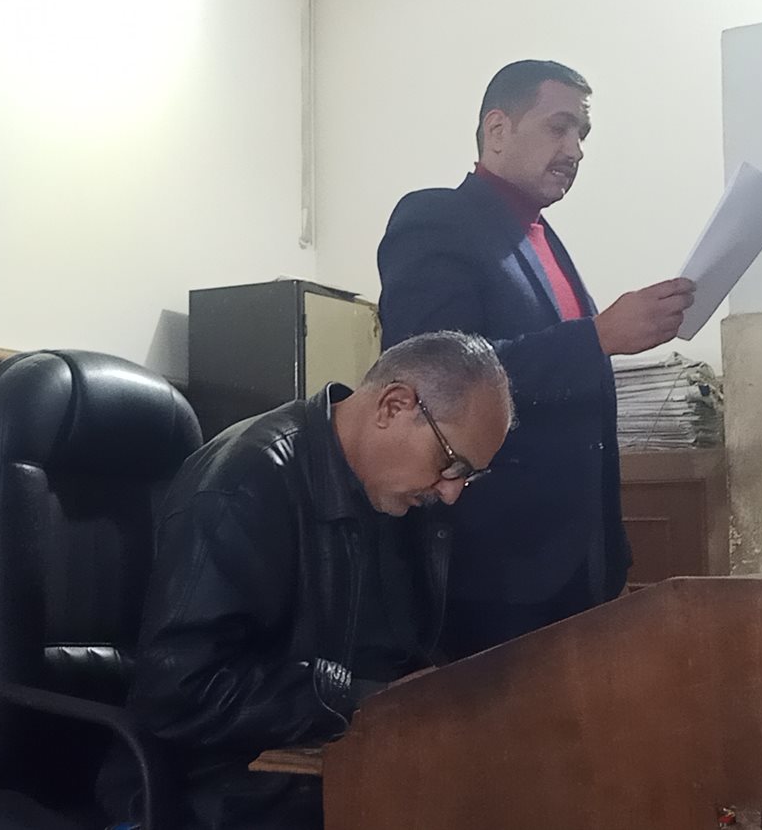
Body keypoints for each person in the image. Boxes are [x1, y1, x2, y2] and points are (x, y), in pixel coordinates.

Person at [102, 331, 513, 830]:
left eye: (469, 476)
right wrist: (353, 696)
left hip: (353, 762)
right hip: (224, 788)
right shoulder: (244, 483)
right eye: (452, 464)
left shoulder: (404, 502)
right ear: (394, 405)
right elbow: (176, 692)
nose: (452, 493)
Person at [376, 59, 695, 658]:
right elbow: (435, 375)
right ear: (497, 129)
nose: (575, 149)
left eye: (582, 133)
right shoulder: (437, 219)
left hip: (581, 563)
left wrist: (607, 549)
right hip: (496, 569)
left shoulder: (542, 237)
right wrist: (597, 337)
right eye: (559, 126)